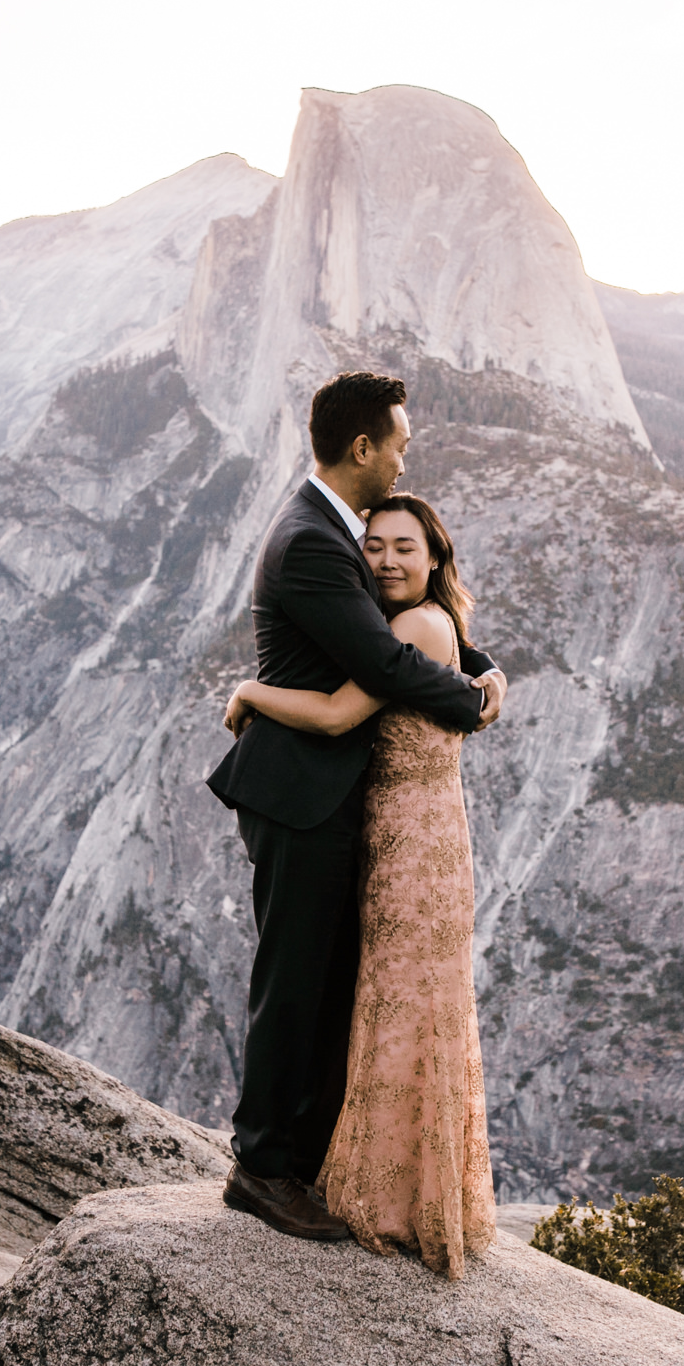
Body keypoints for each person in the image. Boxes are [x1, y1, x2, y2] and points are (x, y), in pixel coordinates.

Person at [205, 373, 505, 1244]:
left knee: (331, 979)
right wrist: (472, 700)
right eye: (400, 442)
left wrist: (478, 663)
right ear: (364, 448)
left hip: (328, 794)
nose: (406, 454)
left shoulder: (333, 536)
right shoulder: (310, 540)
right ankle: (261, 1167)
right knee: (294, 981)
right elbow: (381, 664)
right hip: (300, 793)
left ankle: (297, 1155)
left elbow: (398, 621)